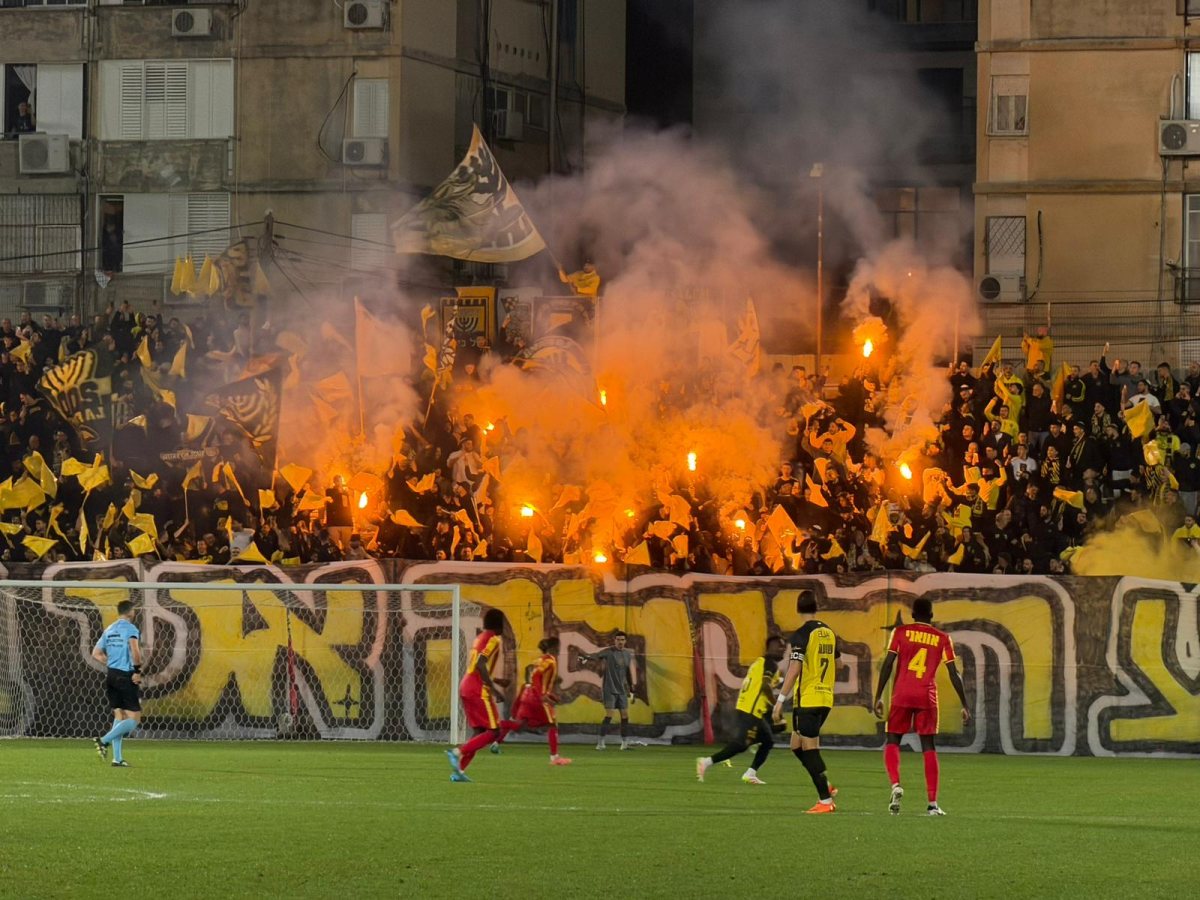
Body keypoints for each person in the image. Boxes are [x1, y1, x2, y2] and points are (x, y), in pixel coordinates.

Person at [872, 597, 970, 816]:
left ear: (913, 615)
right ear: (932, 615)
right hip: (926, 696)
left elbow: (888, 664)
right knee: (928, 746)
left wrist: (878, 695)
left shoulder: (900, 633)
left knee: (893, 739)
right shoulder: (942, 638)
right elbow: (954, 673)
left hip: (902, 694)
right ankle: (933, 804)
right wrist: (965, 704)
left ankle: (896, 784)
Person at [773, 589, 839, 814]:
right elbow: (838, 664)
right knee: (796, 746)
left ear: (798, 609)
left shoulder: (801, 634)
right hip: (826, 698)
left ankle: (825, 801)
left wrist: (780, 700)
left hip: (809, 698)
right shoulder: (829, 632)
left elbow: (794, 667)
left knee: (810, 749)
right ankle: (826, 784)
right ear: (816, 607)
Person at [696, 635, 786, 786]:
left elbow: (759, 687)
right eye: (779, 646)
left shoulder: (760, 662)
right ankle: (706, 762)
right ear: (769, 647)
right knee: (741, 744)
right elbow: (764, 687)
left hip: (749, 708)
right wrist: (777, 706)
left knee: (768, 740)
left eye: (784, 647)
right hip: (750, 710)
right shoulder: (770, 664)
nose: (782, 649)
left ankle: (750, 773)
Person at [446, 608, 510, 782]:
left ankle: (458, 772)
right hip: (478, 689)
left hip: (467, 685)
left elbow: (478, 665)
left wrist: (496, 681)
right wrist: (495, 689)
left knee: (479, 732)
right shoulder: (494, 639)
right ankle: (457, 752)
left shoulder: (480, 637)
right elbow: (481, 664)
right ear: (500, 625)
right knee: (494, 731)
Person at [499, 637, 572, 766]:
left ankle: (496, 725)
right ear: (554, 647)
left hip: (528, 694)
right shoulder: (550, 660)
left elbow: (537, 678)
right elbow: (537, 676)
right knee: (552, 725)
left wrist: (552, 696)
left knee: (519, 724)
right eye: (558, 646)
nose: (559, 649)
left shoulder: (539, 660)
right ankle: (554, 757)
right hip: (537, 698)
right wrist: (542, 695)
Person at [91, 599, 143, 767]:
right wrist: (137, 671)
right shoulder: (131, 629)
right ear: (130, 612)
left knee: (119, 716)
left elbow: (96, 653)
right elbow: (135, 651)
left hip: (111, 675)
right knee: (134, 718)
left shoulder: (109, 629)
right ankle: (103, 740)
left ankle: (117, 758)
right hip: (125, 675)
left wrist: (111, 664)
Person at [581, 630, 637, 750]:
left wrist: (631, 688)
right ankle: (600, 743)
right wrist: (586, 657)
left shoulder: (627, 654)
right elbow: (596, 655)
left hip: (622, 690)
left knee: (625, 716)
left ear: (625, 641)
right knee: (609, 715)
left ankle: (624, 744)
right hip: (609, 689)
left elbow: (627, 672)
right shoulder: (609, 652)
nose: (620, 642)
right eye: (618, 640)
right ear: (614, 641)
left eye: (622, 640)